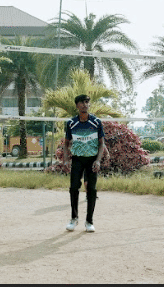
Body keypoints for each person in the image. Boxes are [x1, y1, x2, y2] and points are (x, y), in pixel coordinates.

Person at [63, 94, 104, 233]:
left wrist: (98, 160)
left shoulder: (96, 122)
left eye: (87, 102)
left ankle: (89, 221)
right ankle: (74, 218)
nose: (85, 104)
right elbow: (66, 143)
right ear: (77, 105)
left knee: (91, 190)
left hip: (92, 160)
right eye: (82, 102)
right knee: (74, 188)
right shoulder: (71, 123)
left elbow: (101, 143)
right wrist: (66, 159)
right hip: (78, 159)